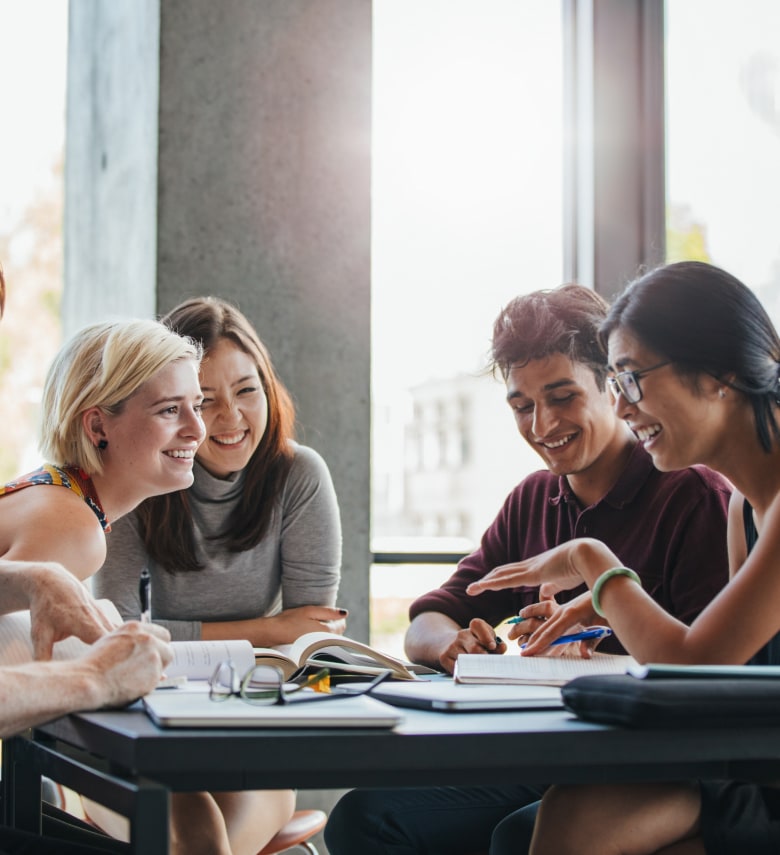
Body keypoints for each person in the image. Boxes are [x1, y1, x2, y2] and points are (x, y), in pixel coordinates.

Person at [324, 283, 732, 855]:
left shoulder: (692, 494)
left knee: (520, 837)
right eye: (521, 406)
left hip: (650, 764)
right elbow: (429, 618)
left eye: (562, 397)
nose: (541, 426)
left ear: (612, 387)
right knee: (363, 818)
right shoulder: (534, 498)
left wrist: (598, 647)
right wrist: (453, 645)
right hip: (548, 756)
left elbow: (705, 677)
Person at [467, 260, 780, 855]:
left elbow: (696, 669)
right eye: (614, 381)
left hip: (762, 781)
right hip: (748, 767)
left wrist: (594, 563)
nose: (623, 406)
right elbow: (721, 681)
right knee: (550, 821)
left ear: (719, 372)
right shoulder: (745, 506)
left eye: (632, 378)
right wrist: (606, 607)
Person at [92, 296, 344, 850]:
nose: (229, 419)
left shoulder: (299, 476)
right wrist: (267, 629)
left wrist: (280, 635)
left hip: (254, 729)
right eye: (203, 401)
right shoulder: (137, 481)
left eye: (246, 390)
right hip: (150, 728)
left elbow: (308, 646)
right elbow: (116, 640)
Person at [0, 263, 173, 854]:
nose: (202, 427)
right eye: (171, 409)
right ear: (98, 426)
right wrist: (94, 673)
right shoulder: (73, 524)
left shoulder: (60, 504)